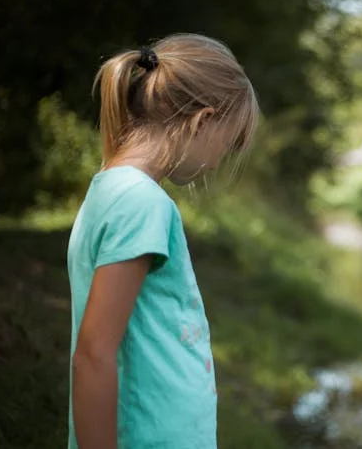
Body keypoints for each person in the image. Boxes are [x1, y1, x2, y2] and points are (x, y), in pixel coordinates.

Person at [67, 33, 259, 449]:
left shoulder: (111, 190)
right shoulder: (143, 203)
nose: (216, 164)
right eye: (227, 146)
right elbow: (93, 356)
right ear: (202, 121)